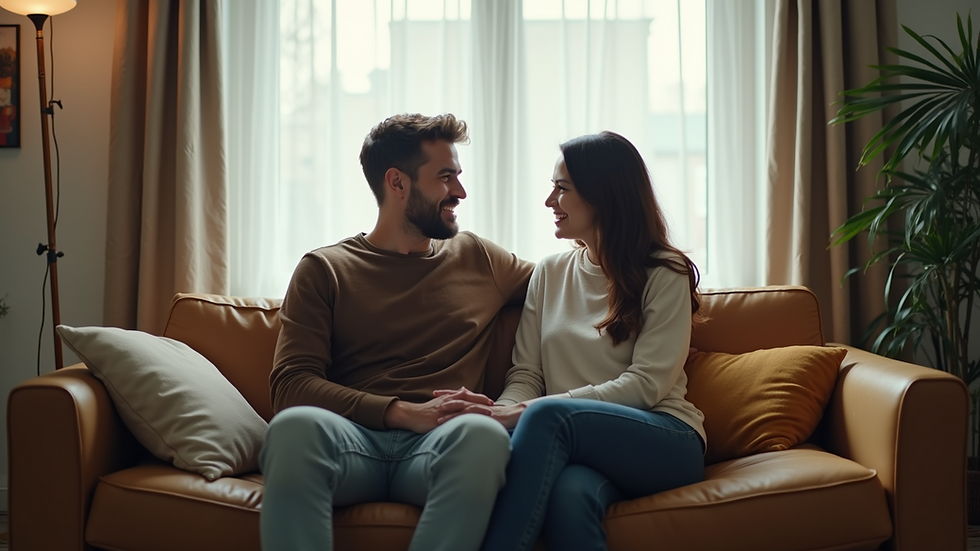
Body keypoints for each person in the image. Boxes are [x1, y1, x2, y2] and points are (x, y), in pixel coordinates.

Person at [259, 113, 534, 551]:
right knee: (293, 427)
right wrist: (401, 412)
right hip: (351, 443)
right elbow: (291, 386)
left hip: (440, 446)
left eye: (458, 176)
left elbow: (572, 284)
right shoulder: (325, 269)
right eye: (446, 177)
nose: (460, 192)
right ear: (397, 182)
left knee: (483, 436)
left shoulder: (478, 257)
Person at [440, 131, 707, 551]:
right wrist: (498, 415)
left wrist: (530, 412)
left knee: (547, 415)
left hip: (666, 437)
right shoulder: (550, 272)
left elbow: (647, 385)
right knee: (569, 496)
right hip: (577, 445)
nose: (550, 201)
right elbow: (527, 374)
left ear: (604, 195)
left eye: (562, 189)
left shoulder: (664, 271)